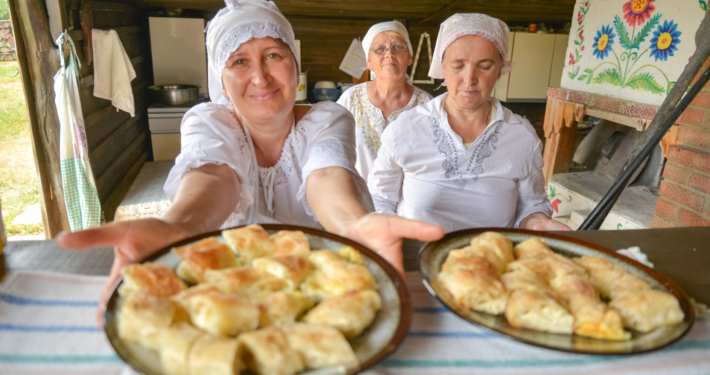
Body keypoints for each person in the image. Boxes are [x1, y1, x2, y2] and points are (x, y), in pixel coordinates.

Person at [56, 0, 444, 324]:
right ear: (220, 80)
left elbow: (326, 174)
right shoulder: (208, 121)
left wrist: (353, 224)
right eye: (239, 61)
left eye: (273, 55)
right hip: (230, 290)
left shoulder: (328, 118)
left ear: (295, 64)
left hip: (320, 287)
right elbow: (214, 174)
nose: (260, 76)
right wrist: (178, 226)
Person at [368, 13, 570, 233]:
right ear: (442, 67)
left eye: (484, 66)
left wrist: (538, 222)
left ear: (500, 70)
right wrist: (390, 232)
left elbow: (531, 205)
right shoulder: (405, 129)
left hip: (493, 258)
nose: (469, 78)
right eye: (458, 65)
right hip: (419, 256)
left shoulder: (521, 136)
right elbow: (380, 199)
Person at [337, 21, 432, 180]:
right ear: (369, 62)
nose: (389, 54)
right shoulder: (350, 99)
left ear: (409, 57)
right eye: (380, 49)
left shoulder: (426, 104)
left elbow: (433, 161)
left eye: (397, 47)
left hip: (407, 202)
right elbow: (334, 154)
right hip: (358, 200)